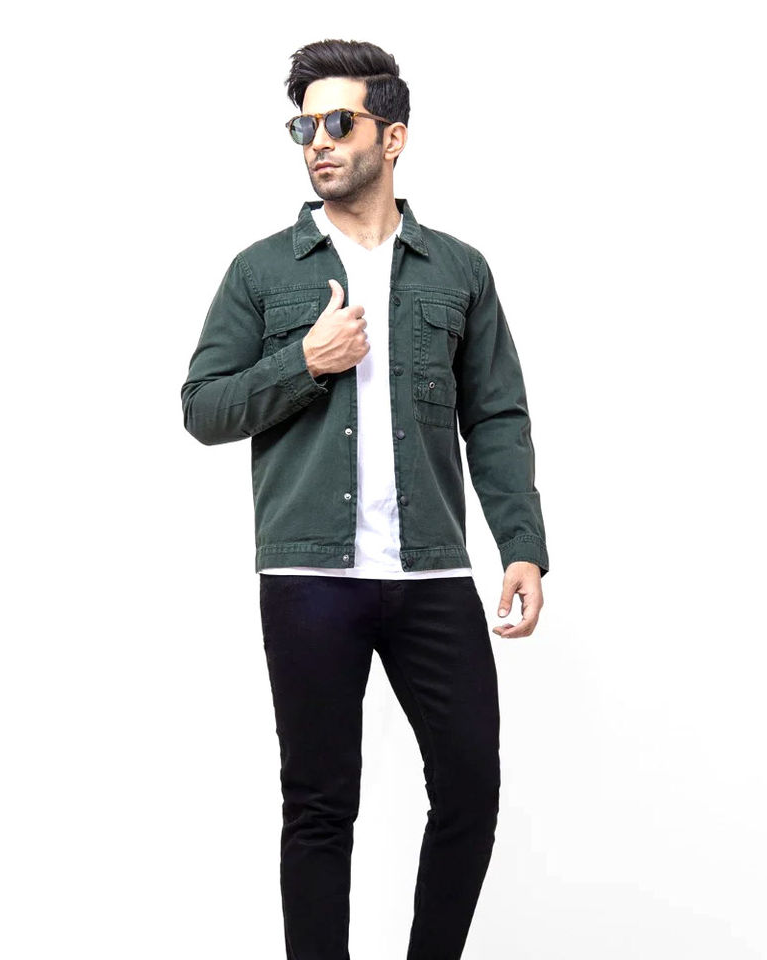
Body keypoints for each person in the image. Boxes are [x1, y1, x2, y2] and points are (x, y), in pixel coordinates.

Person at [180, 38, 549, 960]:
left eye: (339, 122)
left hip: (431, 573)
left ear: (393, 136)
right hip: (308, 576)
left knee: (469, 789)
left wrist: (521, 544)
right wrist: (303, 362)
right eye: (304, 126)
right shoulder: (263, 271)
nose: (318, 141)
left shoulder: (458, 270)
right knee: (318, 804)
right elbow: (203, 407)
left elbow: (496, 416)